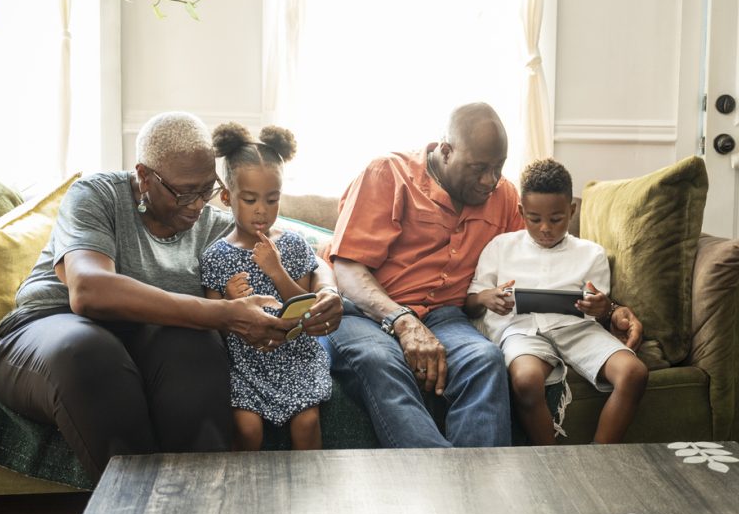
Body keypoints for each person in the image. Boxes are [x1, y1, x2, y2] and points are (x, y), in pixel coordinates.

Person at [0, 112, 343, 481]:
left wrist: (328, 291)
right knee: (90, 351)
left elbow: (307, 255)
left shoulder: (211, 225)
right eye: (185, 192)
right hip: (50, 327)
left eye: (206, 190)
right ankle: (141, 510)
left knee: (197, 349)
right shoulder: (97, 195)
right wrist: (224, 314)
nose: (198, 205)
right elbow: (89, 291)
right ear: (144, 176)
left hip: (143, 338)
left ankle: (205, 507)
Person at [322, 102, 643, 448]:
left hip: (446, 316)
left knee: (486, 360)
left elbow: (541, 262)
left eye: (498, 167)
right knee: (379, 361)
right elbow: (348, 268)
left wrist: (612, 309)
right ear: (446, 152)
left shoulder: (503, 195)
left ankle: (479, 485)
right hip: (366, 314)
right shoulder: (387, 174)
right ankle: (443, 477)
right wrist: (403, 321)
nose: (490, 180)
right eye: (479, 168)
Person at [465, 158, 648, 445]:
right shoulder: (501, 247)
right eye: (535, 219)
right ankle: (554, 461)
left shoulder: (591, 254)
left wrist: (602, 309)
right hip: (521, 330)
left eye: (556, 219)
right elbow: (472, 302)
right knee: (525, 381)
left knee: (634, 373)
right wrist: (488, 298)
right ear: (522, 212)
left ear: (571, 211)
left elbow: (599, 309)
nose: (546, 228)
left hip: (576, 329)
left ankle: (600, 456)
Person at [202, 123, 333, 451]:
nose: (261, 210)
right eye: (249, 200)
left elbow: (305, 306)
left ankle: (310, 489)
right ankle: (245, 494)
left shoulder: (291, 245)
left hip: (293, 354)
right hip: (246, 360)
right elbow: (214, 323)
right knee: (247, 429)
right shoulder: (216, 256)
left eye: (271, 200)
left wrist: (276, 271)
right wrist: (230, 302)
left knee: (307, 422)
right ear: (227, 197)